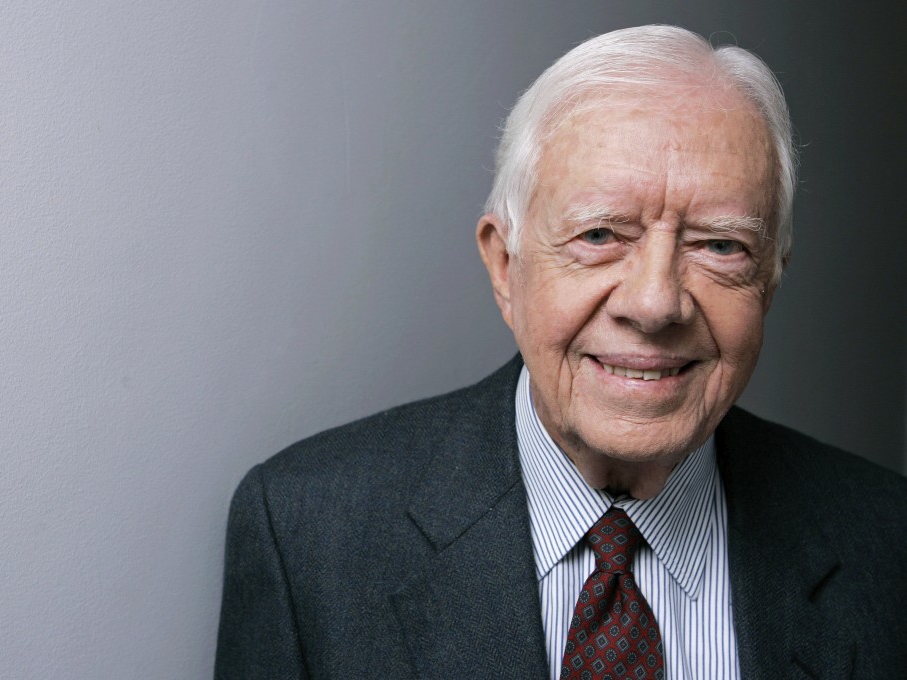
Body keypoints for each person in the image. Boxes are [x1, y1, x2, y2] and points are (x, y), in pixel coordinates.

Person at [215, 25, 907, 680]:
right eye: (601, 234)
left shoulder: (886, 542)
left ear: (770, 278)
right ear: (504, 265)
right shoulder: (306, 533)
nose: (655, 302)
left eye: (720, 246)